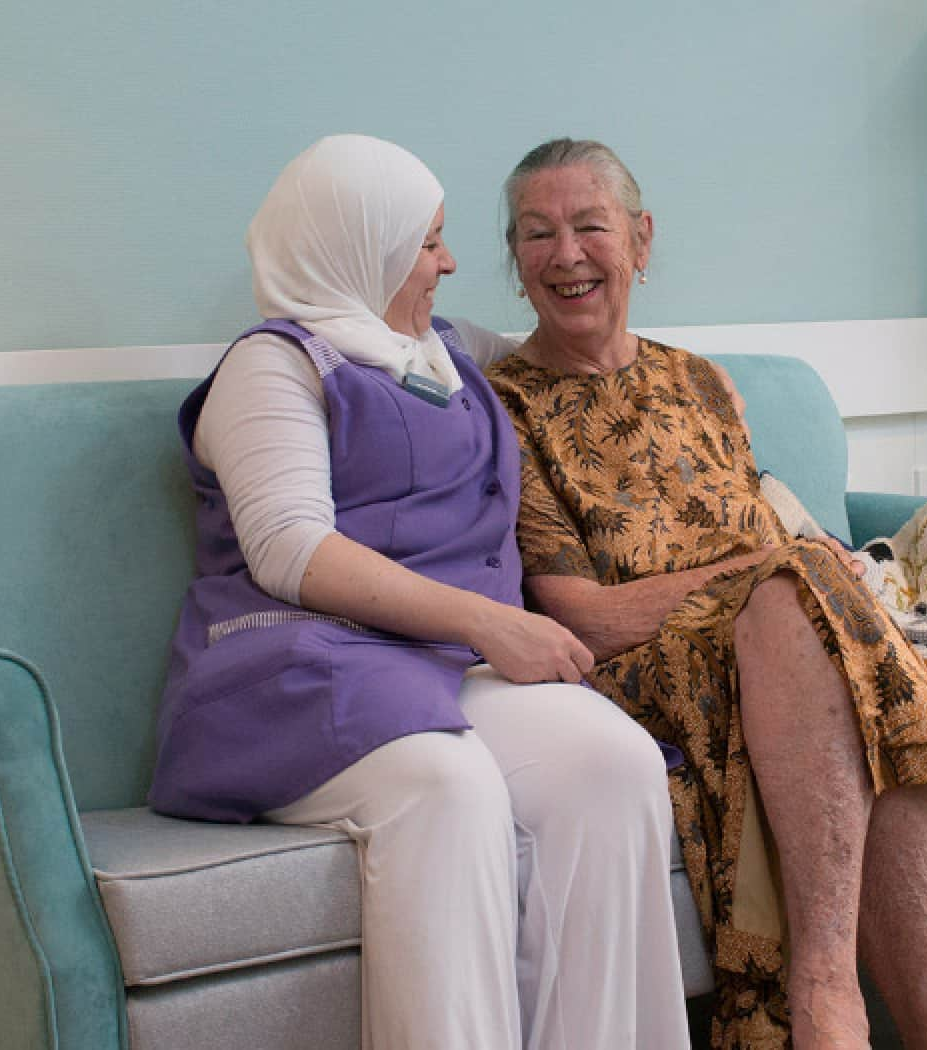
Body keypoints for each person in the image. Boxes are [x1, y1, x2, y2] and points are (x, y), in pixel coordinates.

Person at [483, 138, 927, 1050]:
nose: (565, 254)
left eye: (590, 226)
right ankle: (825, 991)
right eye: (537, 234)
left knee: (885, 679)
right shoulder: (503, 407)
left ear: (642, 242)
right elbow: (581, 614)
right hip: (655, 670)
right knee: (798, 604)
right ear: (515, 260)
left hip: (800, 649)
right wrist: (777, 576)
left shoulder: (702, 382)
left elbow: (777, 548)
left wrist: (818, 570)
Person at [147, 134, 689, 1050]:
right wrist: (492, 622)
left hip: (437, 670)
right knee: (451, 787)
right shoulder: (272, 368)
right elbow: (289, 549)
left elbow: (576, 347)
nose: (446, 262)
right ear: (360, 248)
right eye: (426, 242)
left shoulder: (446, 351)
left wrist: (690, 388)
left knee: (614, 762)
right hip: (294, 667)